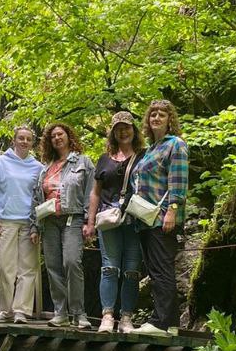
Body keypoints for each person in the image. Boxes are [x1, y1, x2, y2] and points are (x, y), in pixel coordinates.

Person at [130, 99, 189, 336]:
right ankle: (168, 323)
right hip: (145, 218)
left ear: (169, 119)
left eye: (161, 115)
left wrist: (172, 211)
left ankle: (162, 323)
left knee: (162, 269)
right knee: (155, 270)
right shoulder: (150, 149)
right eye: (152, 114)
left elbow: (178, 181)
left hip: (162, 217)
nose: (156, 118)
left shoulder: (175, 144)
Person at [84, 111, 145, 333]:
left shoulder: (144, 156)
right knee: (109, 267)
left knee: (131, 270)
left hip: (135, 219)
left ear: (134, 130)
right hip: (108, 219)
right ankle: (107, 317)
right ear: (112, 133)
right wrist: (90, 222)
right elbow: (95, 193)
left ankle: (126, 318)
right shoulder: (104, 159)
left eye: (126, 127)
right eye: (118, 129)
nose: (123, 132)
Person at [30, 122, 94, 329]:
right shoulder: (45, 168)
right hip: (49, 222)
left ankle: (79, 313)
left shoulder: (83, 162)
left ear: (69, 136)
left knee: (72, 262)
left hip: (72, 219)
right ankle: (61, 313)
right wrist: (35, 227)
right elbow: (37, 199)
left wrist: (89, 220)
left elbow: (91, 193)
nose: (57, 138)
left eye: (60, 134)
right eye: (53, 136)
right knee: (53, 267)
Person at [0, 125, 41, 322]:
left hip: (29, 223)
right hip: (5, 222)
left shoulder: (38, 167)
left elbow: (40, 197)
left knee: (27, 269)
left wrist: (37, 224)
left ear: (32, 143)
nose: (24, 142)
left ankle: (21, 311)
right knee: (5, 268)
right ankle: (6, 311)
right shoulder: (0, 163)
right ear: (13, 140)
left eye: (28, 139)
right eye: (21, 138)